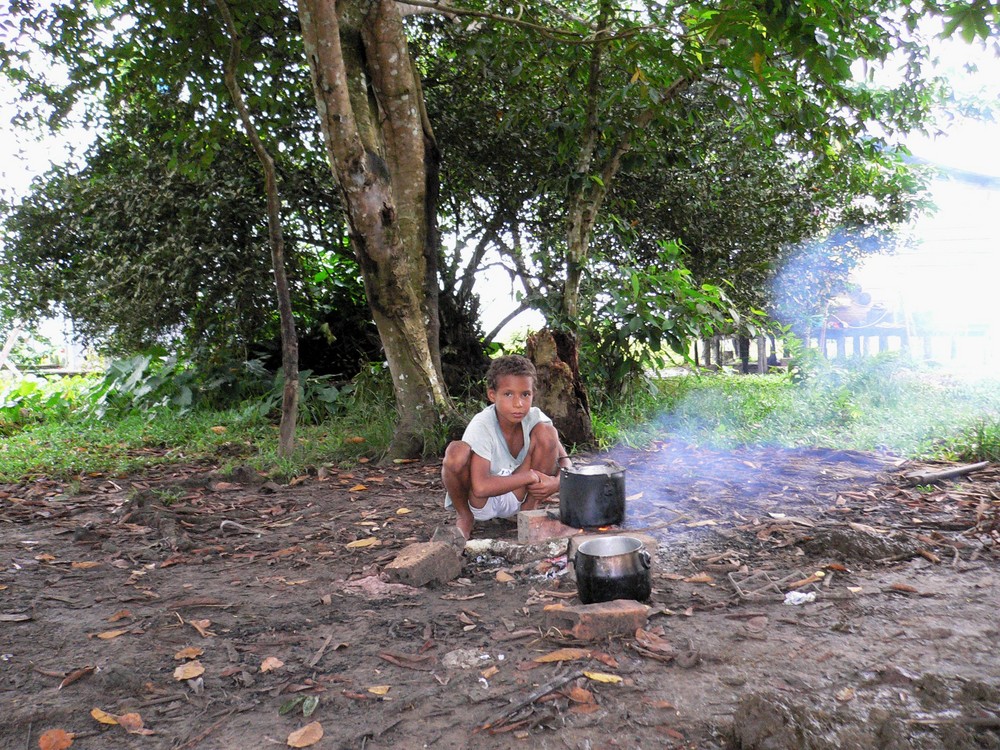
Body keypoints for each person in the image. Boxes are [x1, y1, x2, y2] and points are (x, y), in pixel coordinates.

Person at [441, 354, 571, 540]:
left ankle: (528, 512)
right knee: (456, 452)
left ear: (533, 394)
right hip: (481, 503)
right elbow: (480, 488)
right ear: (492, 395)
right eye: (508, 394)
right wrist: (530, 476)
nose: (518, 404)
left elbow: (566, 462)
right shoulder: (482, 424)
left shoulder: (535, 417)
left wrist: (556, 483)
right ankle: (464, 516)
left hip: (519, 495)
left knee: (548, 433)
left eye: (525, 394)